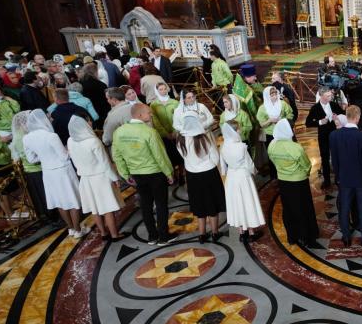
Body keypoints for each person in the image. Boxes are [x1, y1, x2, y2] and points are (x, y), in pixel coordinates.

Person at [112, 103, 175, 246]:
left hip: (136, 175)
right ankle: (164, 236)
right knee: (160, 205)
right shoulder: (149, 132)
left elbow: (117, 155)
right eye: (148, 112)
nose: (151, 115)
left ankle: (152, 236)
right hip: (155, 173)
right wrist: (169, 172)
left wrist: (125, 174)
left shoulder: (119, 132)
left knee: (145, 205)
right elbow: (160, 155)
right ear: (140, 115)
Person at [22, 110, 86, 238]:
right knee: (72, 199)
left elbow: (31, 159)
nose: (50, 118)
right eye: (47, 116)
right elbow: (64, 157)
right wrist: (70, 149)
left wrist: (45, 157)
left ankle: (71, 229)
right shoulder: (51, 136)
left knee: (59, 201)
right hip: (63, 171)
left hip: (48, 172)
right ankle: (78, 229)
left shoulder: (27, 138)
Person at [66, 116, 124, 241]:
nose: (90, 122)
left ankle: (103, 233)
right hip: (100, 177)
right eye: (88, 121)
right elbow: (105, 163)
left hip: (85, 179)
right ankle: (115, 235)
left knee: (95, 209)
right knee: (108, 208)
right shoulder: (93, 141)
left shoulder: (70, 141)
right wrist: (115, 178)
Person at [267, 119, 318, 245]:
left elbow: (272, 161)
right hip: (299, 181)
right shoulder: (295, 147)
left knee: (289, 208)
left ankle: (292, 236)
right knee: (303, 208)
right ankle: (306, 236)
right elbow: (306, 165)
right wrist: (305, 173)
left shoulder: (272, 145)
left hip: (283, 181)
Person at [330, 105, 362, 246]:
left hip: (343, 178)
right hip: (361, 179)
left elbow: (334, 160)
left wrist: (337, 176)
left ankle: (346, 237)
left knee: (344, 207)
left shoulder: (334, 135)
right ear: (358, 117)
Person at [177, 114, 225, 243]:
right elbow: (215, 157)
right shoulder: (204, 138)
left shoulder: (180, 139)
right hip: (209, 174)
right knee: (212, 203)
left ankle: (202, 234)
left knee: (199, 204)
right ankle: (215, 232)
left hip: (192, 175)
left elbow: (183, 157)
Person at [219, 123, 265, 243]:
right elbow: (250, 165)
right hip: (243, 177)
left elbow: (223, 168)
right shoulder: (241, 147)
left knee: (237, 203)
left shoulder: (223, 146)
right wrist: (255, 172)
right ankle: (251, 232)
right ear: (235, 131)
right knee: (247, 202)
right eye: (239, 128)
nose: (240, 130)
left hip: (231, 177)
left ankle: (241, 232)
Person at [10, 111, 51, 221]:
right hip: (34, 169)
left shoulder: (24, 134)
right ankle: (51, 216)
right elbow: (28, 155)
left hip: (36, 168)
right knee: (43, 196)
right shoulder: (21, 136)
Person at [305, 87, 344, 187]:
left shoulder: (334, 105)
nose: (330, 97)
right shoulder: (315, 108)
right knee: (325, 158)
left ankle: (339, 178)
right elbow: (308, 123)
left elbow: (343, 115)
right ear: (321, 96)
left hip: (335, 135)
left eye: (330, 95)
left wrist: (337, 118)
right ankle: (327, 180)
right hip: (323, 137)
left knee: (338, 156)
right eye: (328, 96)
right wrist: (320, 122)